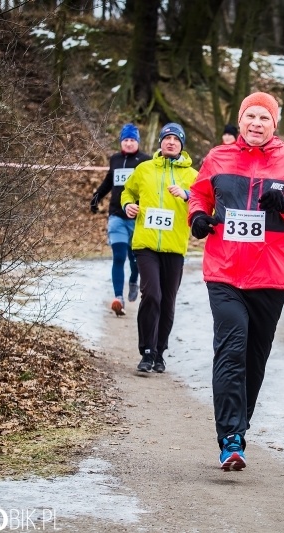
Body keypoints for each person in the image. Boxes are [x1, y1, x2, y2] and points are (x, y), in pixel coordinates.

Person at [187, 92, 284, 471]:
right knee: (230, 349)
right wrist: (197, 217)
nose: (256, 123)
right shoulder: (218, 157)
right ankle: (230, 437)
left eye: (264, 117)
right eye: (251, 117)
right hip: (225, 271)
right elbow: (199, 195)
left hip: (270, 275)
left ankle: (239, 425)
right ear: (241, 121)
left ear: (274, 124)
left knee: (254, 358)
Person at [120, 122, 196, 375]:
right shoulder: (144, 169)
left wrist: (187, 195)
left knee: (168, 302)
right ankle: (147, 351)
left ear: (182, 144)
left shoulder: (193, 176)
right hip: (146, 243)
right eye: (167, 138)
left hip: (174, 246)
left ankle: (160, 352)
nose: (171, 142)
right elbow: (127, 192)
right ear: (160, 143)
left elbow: (207, 205)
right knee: (152, 295)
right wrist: (128, 205)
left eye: (176, 139)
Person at [90, 123, 151, 316]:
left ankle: (134, 280)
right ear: (121, 142)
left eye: (133, 140)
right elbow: (109, 180)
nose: (129, 143)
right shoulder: (115, 159)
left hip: (137, 217)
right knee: (118, 256)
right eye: (126, 140)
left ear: (138, 142)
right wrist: (96, 197)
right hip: (116, 215)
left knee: (135, 259)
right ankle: (119, 298)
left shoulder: (145, 161)